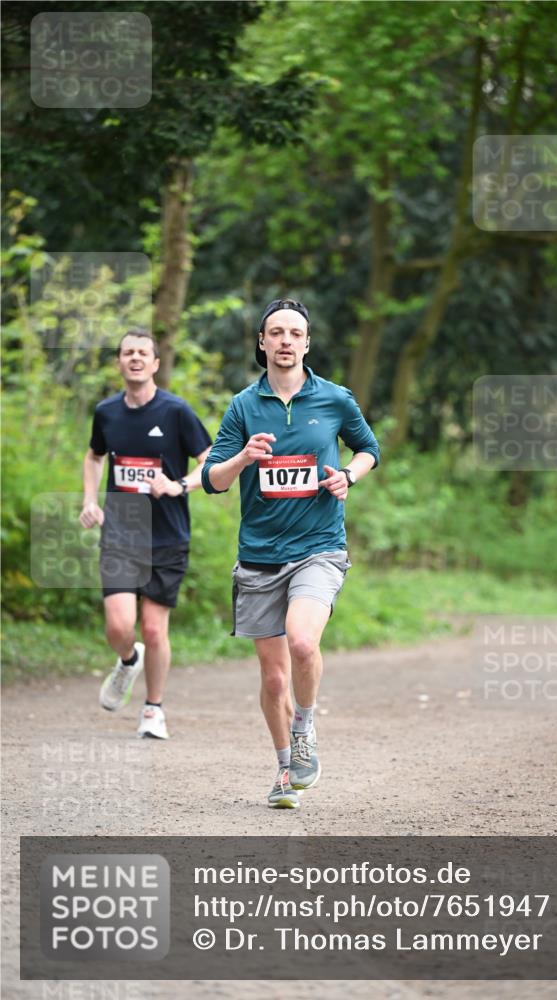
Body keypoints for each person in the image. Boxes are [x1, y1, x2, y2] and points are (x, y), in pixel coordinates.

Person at [203, 298, 380, 808]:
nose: (285, 341)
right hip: (259, 555)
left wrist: (348, 475)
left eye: (294, 333)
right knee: (274, 675)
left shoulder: (335, 399)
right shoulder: (243, 405)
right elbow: (214, 481)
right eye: (275, 332)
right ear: (262, 342)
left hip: (318, 548)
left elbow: (369, 449)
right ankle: (286, 770)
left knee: (303, 643)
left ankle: (305, 727)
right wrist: (243, 457)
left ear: (306, 343)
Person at [79, 328, 211, 739]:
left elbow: (210, 461)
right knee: (120, 627)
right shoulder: (107, 412)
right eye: (127, 353)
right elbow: (94, 455)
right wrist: (89, 500)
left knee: (154, 629)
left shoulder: (176, 412)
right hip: (121, 530)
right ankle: (126, 658)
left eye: (143, 353)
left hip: (167, 534)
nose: (135, 358)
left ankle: (153, 709)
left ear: (155, 364)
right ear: (119, 363)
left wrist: (179, 485)